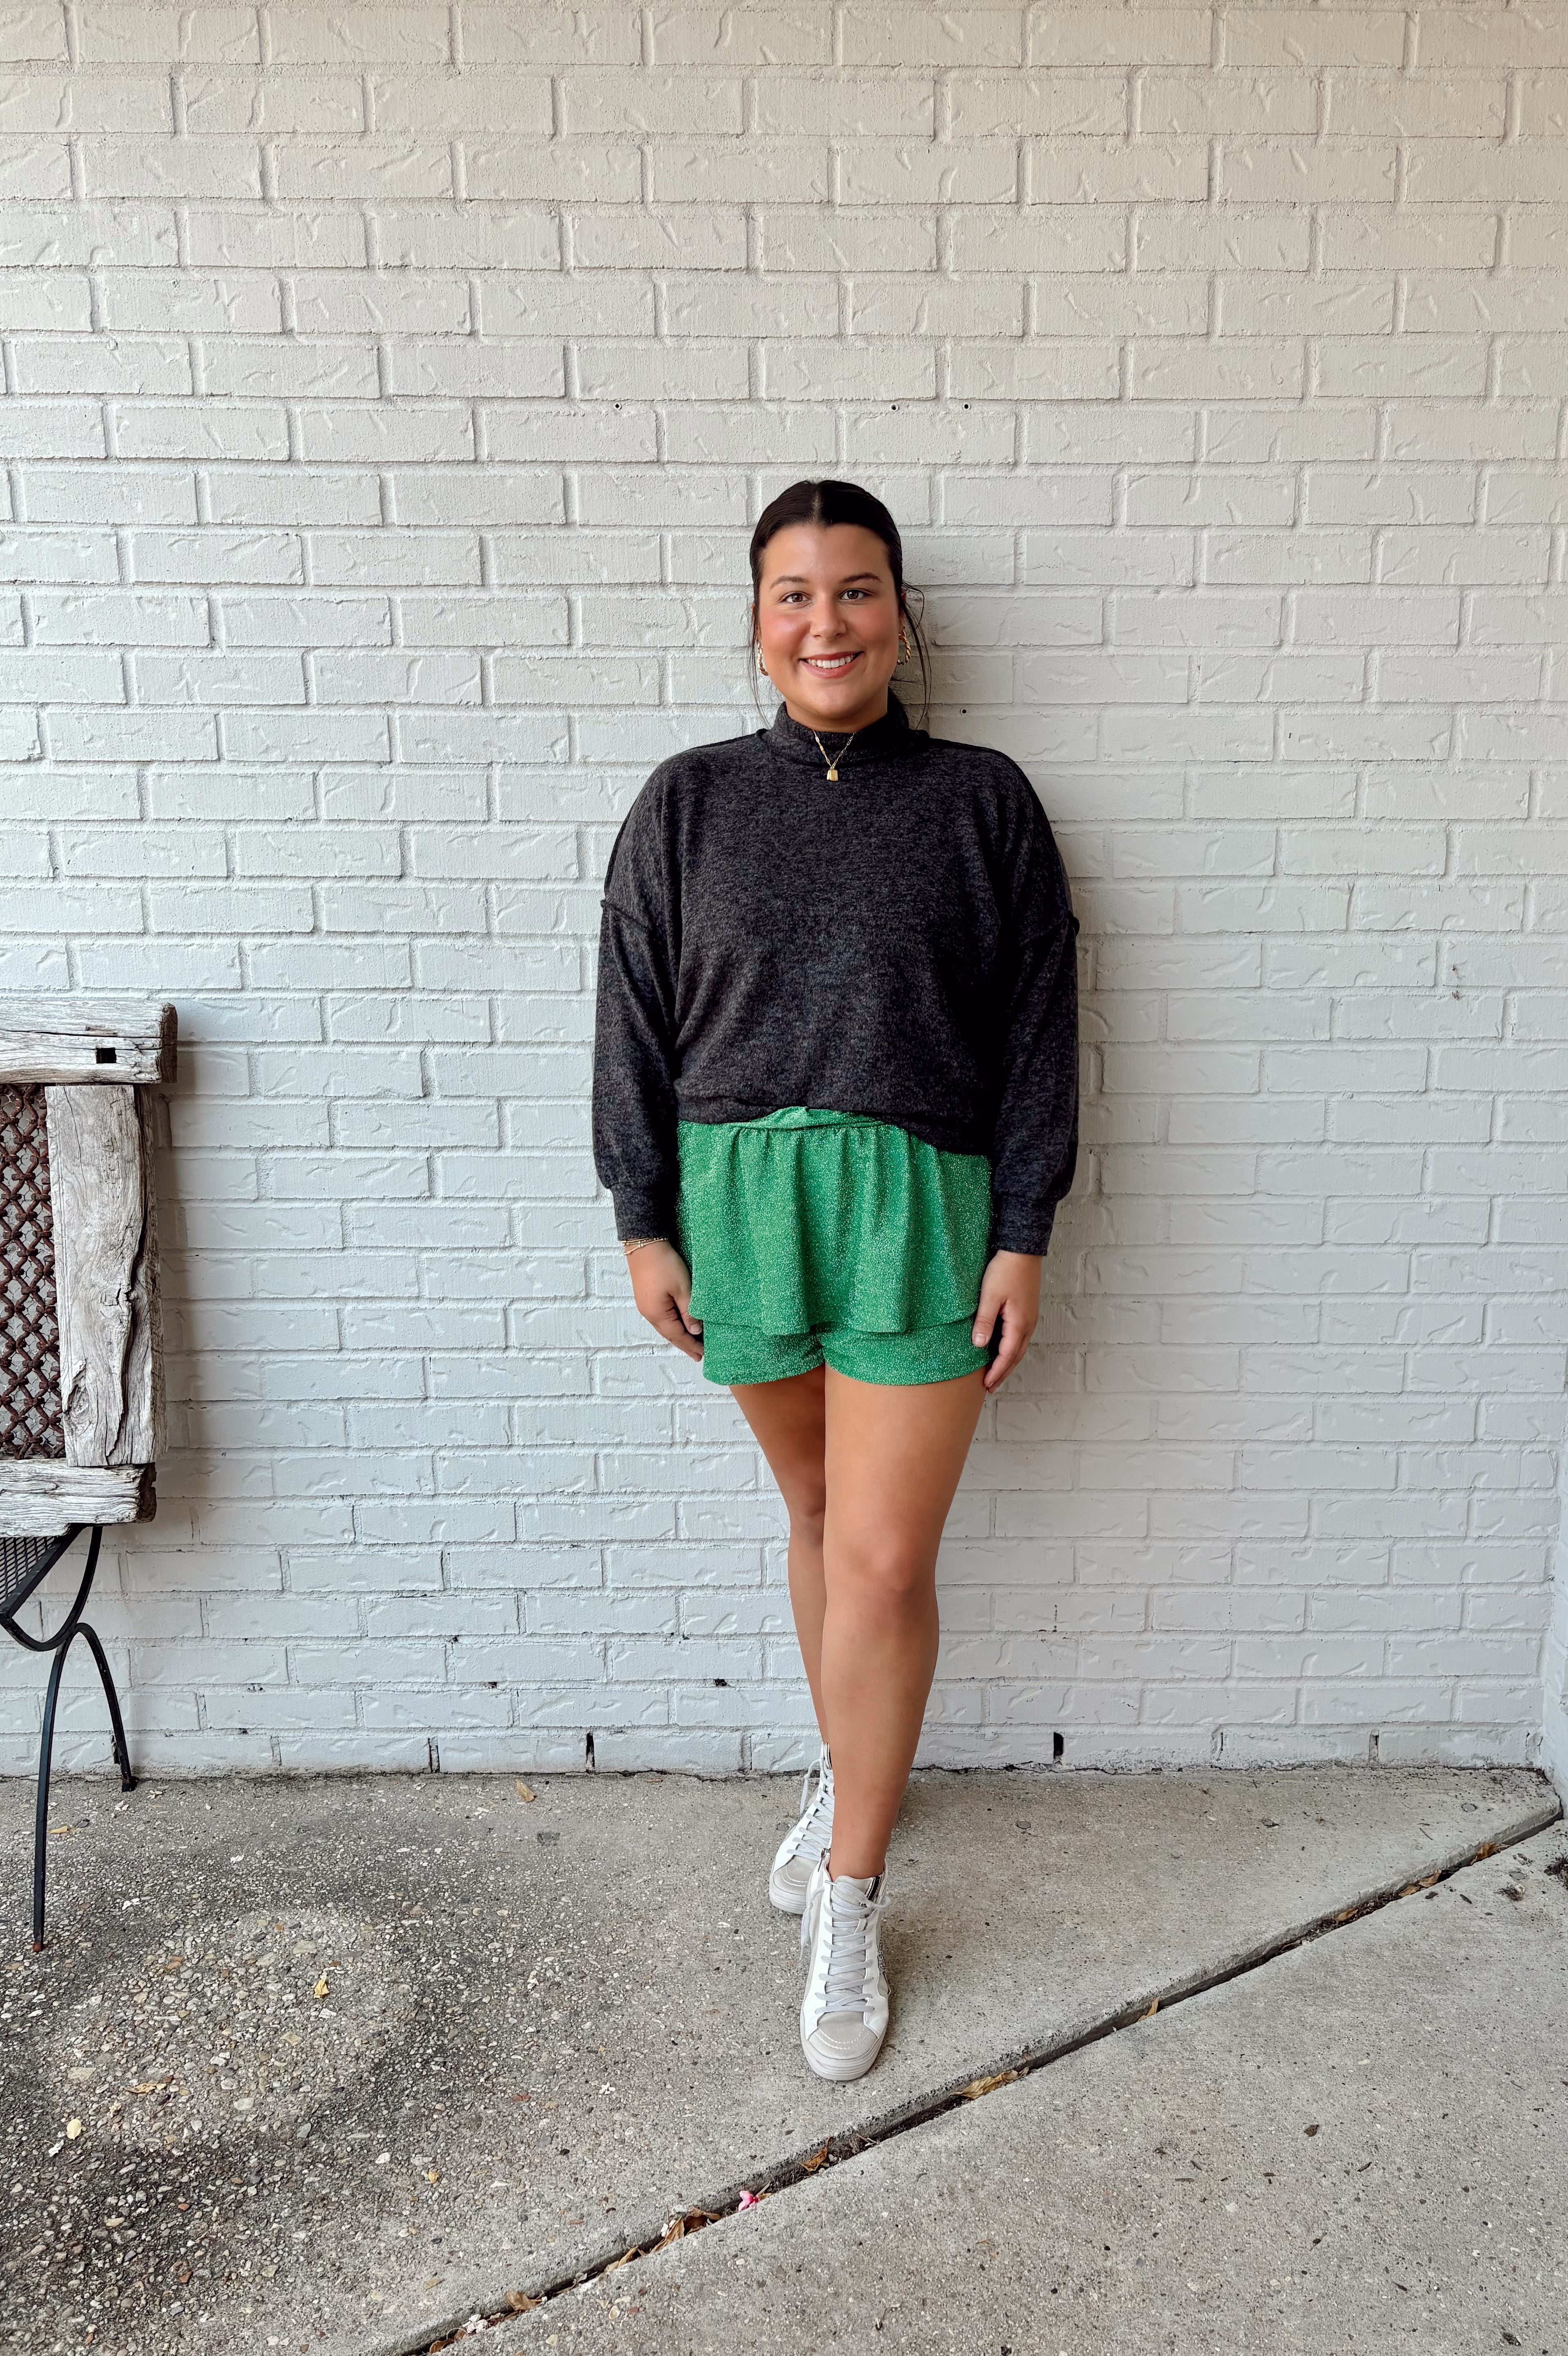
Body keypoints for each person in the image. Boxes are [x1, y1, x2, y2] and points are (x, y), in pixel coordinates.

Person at [590, 478, 1081, 2082]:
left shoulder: (983, 801)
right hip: (740, 1202)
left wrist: (1024, 1226)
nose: (826, 622)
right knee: (810, 1517)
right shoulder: (685, 803)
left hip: (920, 1204)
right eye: (794, 594)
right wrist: (643, 1218)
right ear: (756, 623)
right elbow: (632, 1013)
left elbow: (1038, 1025)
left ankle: (853, 1895)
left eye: (856, 590)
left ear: (901, 617)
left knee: (879, 1560)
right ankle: (843, 1770)